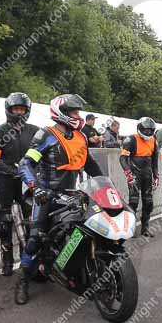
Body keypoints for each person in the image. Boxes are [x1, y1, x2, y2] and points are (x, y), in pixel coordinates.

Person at [17, 94, 103, 304]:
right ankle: (22, 282)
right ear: (62, 113)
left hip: (73, 194)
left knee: (87, 229)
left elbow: (90, 164)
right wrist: (35, 188)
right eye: (74, 112)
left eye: (78, 112)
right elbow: (25, 164)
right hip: (47, 195)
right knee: (35, 240)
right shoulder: (46, 135)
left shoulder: (81, 137)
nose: (78, 116)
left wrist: (103, 184)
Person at [0, 93, 39, 276]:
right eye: (16, 109)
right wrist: (12, 171)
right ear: (9, 110)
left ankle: (28, 258)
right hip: (5, 180)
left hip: (27, 181)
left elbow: (43, 155)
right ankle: (7, 261)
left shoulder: (35, 131)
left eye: (22, 109)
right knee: (5, 221)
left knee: (30, 220)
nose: (19, 112)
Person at [120, 117, 159, 237]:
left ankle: (145, 228)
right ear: (140, 128)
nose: (147, 132)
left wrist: (156, 175)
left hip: (147, 175)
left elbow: (155, 160)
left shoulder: (154, 141)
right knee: (133, 202)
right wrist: (128, 173)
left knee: (148, 202)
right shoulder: (130, 139)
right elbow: (123, 158)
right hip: (135, 175)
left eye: (150, 130)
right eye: (145, 130)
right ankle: (130, 229)